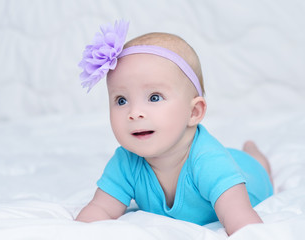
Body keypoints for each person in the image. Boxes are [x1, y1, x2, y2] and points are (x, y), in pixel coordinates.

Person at [76, 20, 273, 236]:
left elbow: (241, 220)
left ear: (194, 112)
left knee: (257, 164)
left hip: (250, 176)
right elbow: (100, 209)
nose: (134, 113)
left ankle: (255, 155)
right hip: (227, 159)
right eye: (121, 100)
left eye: (154, 97)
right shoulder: (126, 162)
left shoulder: (210, 162)